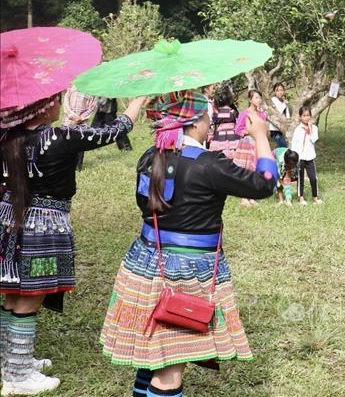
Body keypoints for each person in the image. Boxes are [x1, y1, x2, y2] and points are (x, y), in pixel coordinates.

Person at [100, 90, 277, 397]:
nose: (210, 122)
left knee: (154, 352)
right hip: (189, 272)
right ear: (194, 123)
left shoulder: (148, 157)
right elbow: (264, 183)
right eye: (207, 116)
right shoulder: (210, 165)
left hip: (146, 263)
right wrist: (261, 134)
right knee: (170, 370)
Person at [0, 93, 143, 395]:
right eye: (55, 100)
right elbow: (116, 129)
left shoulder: (6, 136)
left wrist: (68, 127)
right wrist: (138, 99)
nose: (59, 103)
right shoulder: (60, 137)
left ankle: (11, 360)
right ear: (42, 107)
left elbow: (39, 147)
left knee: (13, 292)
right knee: (31, 296)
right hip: (43, 225)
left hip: (8, 220)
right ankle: (18, 375)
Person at [233, 90, 268, 207]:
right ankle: (244, 197)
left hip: (258, 143)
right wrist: (248, 131)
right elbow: (238, 129)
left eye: (259, 98)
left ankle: (252, 196)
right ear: (250, 99)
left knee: (256, 169)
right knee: (246, 170)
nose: (259, 100)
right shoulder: (245, 113)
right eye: (256, 98)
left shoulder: (263, 115)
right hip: (247, 143)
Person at [291, 106, 322, 205]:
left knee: (313, 178)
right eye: (304, 116)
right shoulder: (298, 129)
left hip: (310, 156)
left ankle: (315, 197)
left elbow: (314, 139)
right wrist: (294, 158)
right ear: (300, 117)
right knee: (300, 178)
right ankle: (301, 198)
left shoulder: (314, 128)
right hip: (300, 157)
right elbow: (294, 144)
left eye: (308, 115)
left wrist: (310, 128)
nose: (306, 117)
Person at [61, 87, 98, 171]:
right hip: (68, 120)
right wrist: (72, 115)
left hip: (82, 122)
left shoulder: (91, 90)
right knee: (66, 143)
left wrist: (81, 117)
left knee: (80, 145)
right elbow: (66, 101)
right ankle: (65, 164)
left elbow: (92, 106)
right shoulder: (72, 88)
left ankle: (78, 166)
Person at [208, 86, 239, 158]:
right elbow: (237, 124)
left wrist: (210, 136)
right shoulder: (233, 112)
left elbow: (212, 127)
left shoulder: (216, 114)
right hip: (232, 138)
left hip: (219, 138)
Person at [269, 83, 290, 148]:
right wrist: (284, 104)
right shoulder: (273, 100)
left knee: (282, 147)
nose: (280, 92)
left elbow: (287, 114)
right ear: (274, 92)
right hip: (276, 130)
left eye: (281, 90)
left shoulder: (283, 100)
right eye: (277, 90)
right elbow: (277, 113)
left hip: (284, 128)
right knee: (283, 148)